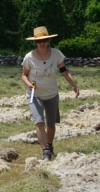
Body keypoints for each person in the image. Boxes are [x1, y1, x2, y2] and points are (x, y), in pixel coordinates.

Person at [21, 26, 79, 160]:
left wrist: (74, 85)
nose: (42, 43)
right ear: (35, 42)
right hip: (34, 95)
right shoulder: (29, 57)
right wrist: (29, 84)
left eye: (44, 40)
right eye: (39, 41)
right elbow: (24, 75)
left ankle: (50, 145)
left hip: (52, 94)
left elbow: (64, 70)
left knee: (51, 124)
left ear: (48, 41)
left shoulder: (56, 54)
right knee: (39, 122)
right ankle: (45, 151)